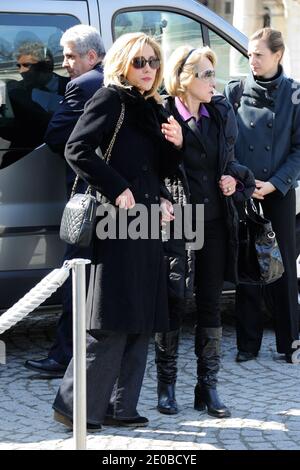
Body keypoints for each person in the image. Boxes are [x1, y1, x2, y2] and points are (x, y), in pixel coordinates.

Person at [52, 32, 183, 431]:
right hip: (113, 221)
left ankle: (120, 406)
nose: (148, 69)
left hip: (144, 223)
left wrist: (176, 148)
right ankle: (74, 408)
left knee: (140, 314)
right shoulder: (109, 99)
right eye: (139, 62)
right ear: (124, 64)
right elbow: (78, 148)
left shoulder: (153, 106)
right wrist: (117, 186)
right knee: (107, 319)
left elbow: (158, 167)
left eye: (153, 62)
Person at [155, 45, 255, 418]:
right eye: (207, 74)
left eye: (214, 73)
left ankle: (207, 386)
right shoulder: (164, 113)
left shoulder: (220, 111)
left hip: (215, 220)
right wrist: (179, 146)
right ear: (185, 79)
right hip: (178, 219)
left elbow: (226, 160)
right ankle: (166, 385)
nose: (215, 81)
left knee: (211, 302)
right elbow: (157, 168)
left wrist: (231, 178)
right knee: (174, 299)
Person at [24, 25, 105, 378]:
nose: (65, 63)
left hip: (86, 198)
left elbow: (56, 136)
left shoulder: (84, 86)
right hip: (119, 197)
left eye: (70, 56)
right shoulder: (113, 82)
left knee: (76, 276)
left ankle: (64, 357)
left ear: (92, 56)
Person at [224, 28, 300, 364]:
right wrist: (244, 178)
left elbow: (299, 150)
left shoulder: (295, 95)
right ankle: (247, 343)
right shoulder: (235, 91)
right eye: (250, 54)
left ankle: (289, 341)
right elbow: (225, 142)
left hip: (279, 192)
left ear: (278, 55)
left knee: (282, 269)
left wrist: (277, 182)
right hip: (245, 190)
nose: (252, 60)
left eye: (259, 54)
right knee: (248, 268)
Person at [0, 41, 68, 168]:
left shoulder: (71, 86)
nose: (22, 71)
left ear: (44, 65)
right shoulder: (15, 91)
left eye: (26, 65)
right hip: (25, 158)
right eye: (19, 66)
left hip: (63, 156)